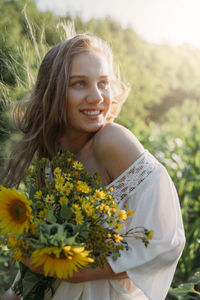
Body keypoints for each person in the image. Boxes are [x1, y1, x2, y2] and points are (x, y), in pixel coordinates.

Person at [1, 33, 185, 300]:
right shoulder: (53, 156)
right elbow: (43, 252)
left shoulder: (111, 141)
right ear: (53, 91)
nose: (97, 96)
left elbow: (167, 241)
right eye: (79, 83)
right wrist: (15, 291)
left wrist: (76, 271)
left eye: (103, 83)